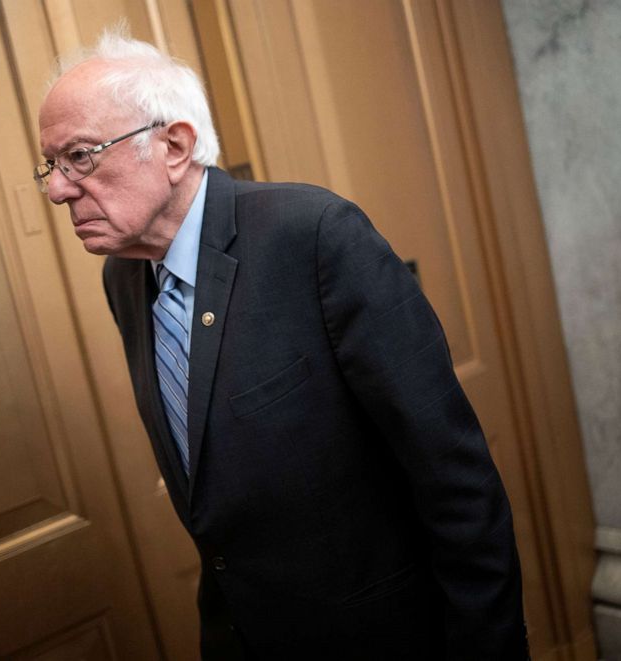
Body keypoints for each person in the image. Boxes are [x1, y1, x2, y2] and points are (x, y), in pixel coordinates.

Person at [36, 27, 527, 660]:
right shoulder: (124, 278)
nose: (56, 188)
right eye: (51, 165)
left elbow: (455, 478)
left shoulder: (314, 237)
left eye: (79, 156)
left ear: (175, 146)